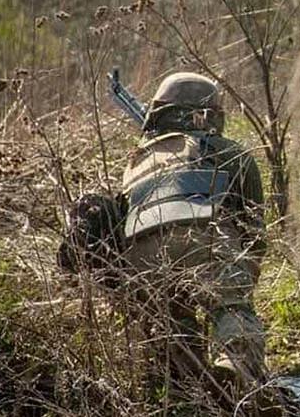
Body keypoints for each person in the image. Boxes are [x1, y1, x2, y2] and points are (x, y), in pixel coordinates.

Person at [120, 72, 269, 408]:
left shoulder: (135, 161)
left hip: (141, 254)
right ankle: (236, 370)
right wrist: (242, 279)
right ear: (207, 115)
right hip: (204, 236)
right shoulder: (226, 150)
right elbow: (252, 229)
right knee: (230, 308)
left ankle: (183, 389)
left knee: (171, 322)